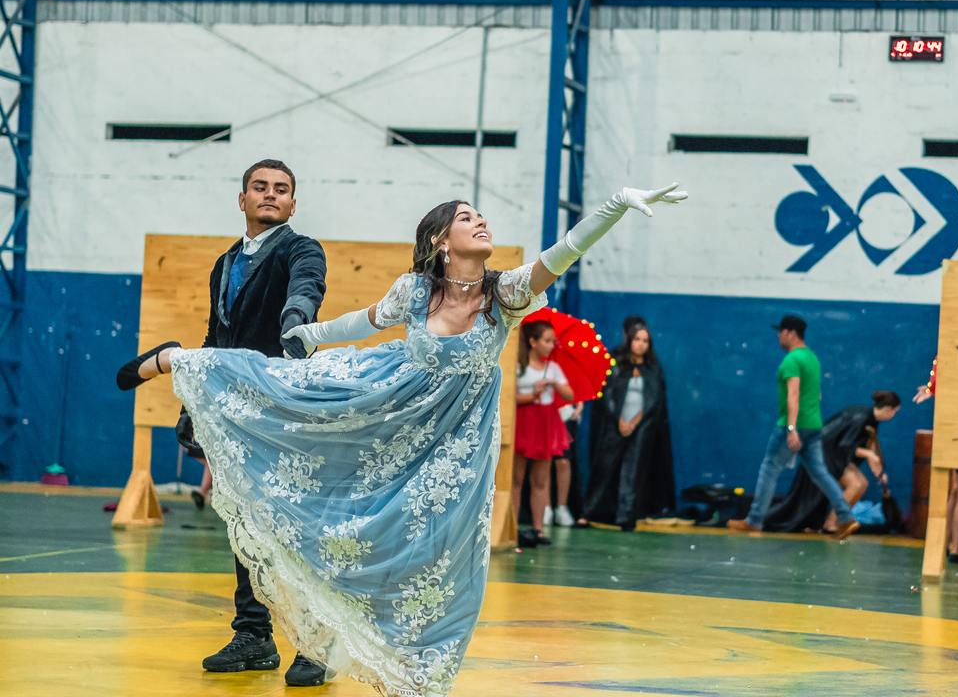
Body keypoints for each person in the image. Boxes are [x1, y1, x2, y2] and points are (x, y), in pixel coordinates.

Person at [116, 183, 686, 697]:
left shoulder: (505, 294)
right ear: (440, 240)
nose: (481, 222)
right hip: (388, 403)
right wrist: (310, 335)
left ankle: (418, 672)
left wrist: (614, 206)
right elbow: (364, 321)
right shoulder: (415, 291)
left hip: (455, 443)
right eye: (467, 217)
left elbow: (562, 253)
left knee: (443, 555)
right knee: (289, 399)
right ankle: (176, 359)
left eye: (481, 215)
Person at [160, 160, 329, 685]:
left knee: (291, 527)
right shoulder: (224, 263)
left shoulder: (301, 249)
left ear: (293, 204)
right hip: (233, 415)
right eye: (260, 187)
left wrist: (297, 319)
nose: (270, 195)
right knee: (243, 524)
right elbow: (215, 339)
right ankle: (254, 635)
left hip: (282, 409)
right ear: (242, 199)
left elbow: (307, 288)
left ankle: (315, 643)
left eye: (281, 189)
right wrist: (193, 405)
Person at [728, 315, 858, 539]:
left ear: (791, 333)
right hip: (814, 425)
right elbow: (817, 395)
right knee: (820, 473)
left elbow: (793, 394)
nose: (778, 336)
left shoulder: (792, 360)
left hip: (793, 425)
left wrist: (791, 428)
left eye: (781, 331)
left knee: (769, 469)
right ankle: (846, 518)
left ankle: (754, 520)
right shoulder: (812, 358)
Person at [582, 318, 676, 531]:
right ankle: (589, 512)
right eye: (637, 339)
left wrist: (635, 422)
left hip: (640, 426)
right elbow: (607, 395)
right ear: (629, 340)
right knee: (603, 468)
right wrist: (619, 420)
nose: (641, 344)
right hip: (616, 424)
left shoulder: (653, 368)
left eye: (645, 341)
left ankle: (626, 516)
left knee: (633, 472)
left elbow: (654, 400)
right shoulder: (616, 364)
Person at [763, 390, 901, 533]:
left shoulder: (872, 420)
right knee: (857, 484)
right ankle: (831, 524)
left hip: (835, 458)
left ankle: (831, 523)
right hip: (825, 457)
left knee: (859, 483)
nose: (893, 415)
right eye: (895, 411)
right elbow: (843, 446)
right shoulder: (860, 417)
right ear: (887, 409)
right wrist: (869, 455)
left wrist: (879, 474)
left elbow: (869, 448)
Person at [513, 320, 574, 545]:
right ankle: (512, 528)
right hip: (523, 422)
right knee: (516, 480)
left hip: (546, 424)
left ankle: (538, 530)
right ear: (532, 341)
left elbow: (569, 395)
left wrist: (554, 384)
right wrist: (532, 395)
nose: (551, 345)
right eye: (547, 341)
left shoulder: (553, 368)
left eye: (553, 341)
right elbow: (509, 397)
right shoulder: (519, 366)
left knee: (540, 481)